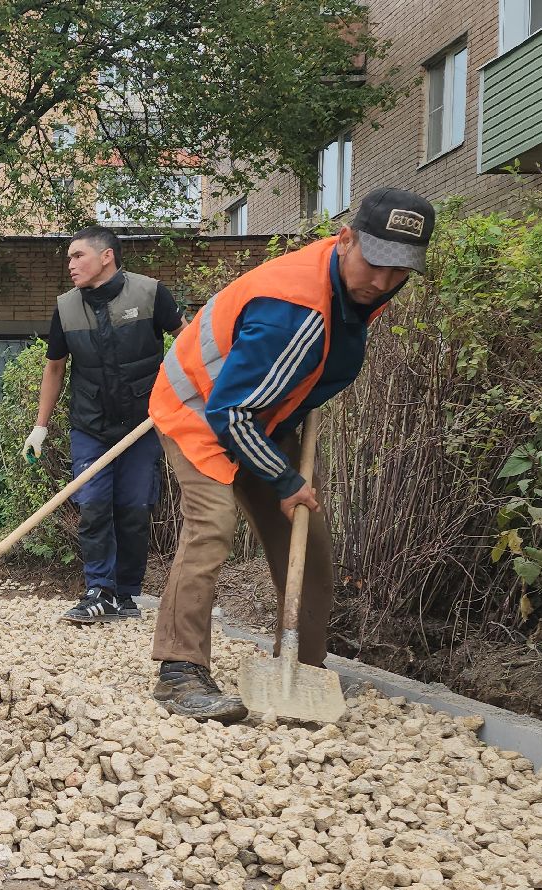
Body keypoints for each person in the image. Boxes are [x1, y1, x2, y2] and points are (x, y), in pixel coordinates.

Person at [148, 188, 436, 721]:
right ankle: (179, 672)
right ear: (345, 239)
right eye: (375, 264)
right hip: (200, 407)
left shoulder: (355, 285)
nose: (383, 282)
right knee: (211, 528)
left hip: (260, 414)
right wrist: (282, 479)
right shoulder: (294, 310)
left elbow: (293, 376)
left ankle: (301, 673)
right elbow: (230, 414)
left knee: (310, 544)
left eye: (400, 270)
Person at [24, 225, 183, 624]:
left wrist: (178, 393)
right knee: (93, 506)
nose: (71, 264)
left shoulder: (149, 293)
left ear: (106, 256)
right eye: (69, 258)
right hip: (90, 424)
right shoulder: (66, 308)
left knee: (134, 508)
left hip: (143, 423)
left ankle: (125, 595)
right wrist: (40, 426)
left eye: (78, 256)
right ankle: (98, 590)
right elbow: (55, 367)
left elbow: (188, 340)